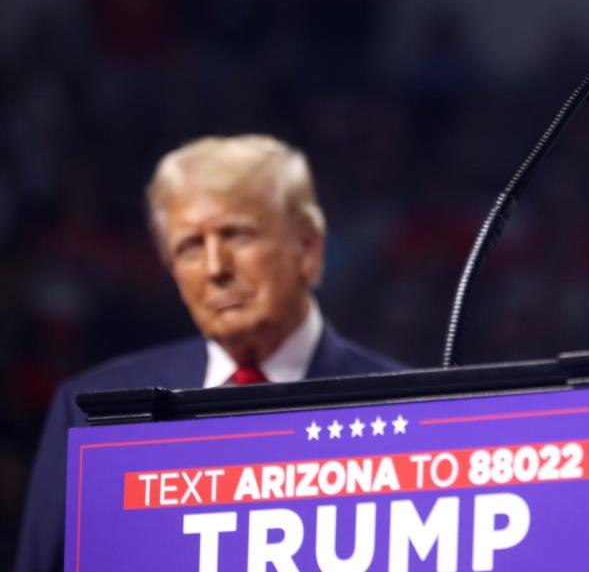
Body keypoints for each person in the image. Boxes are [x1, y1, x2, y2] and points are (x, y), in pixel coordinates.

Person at [15, 134, 406, 572]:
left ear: (308, 248)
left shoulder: (404, 415)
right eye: (190, 247)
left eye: (238, 235)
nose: (216, 268)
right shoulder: (93, 413)